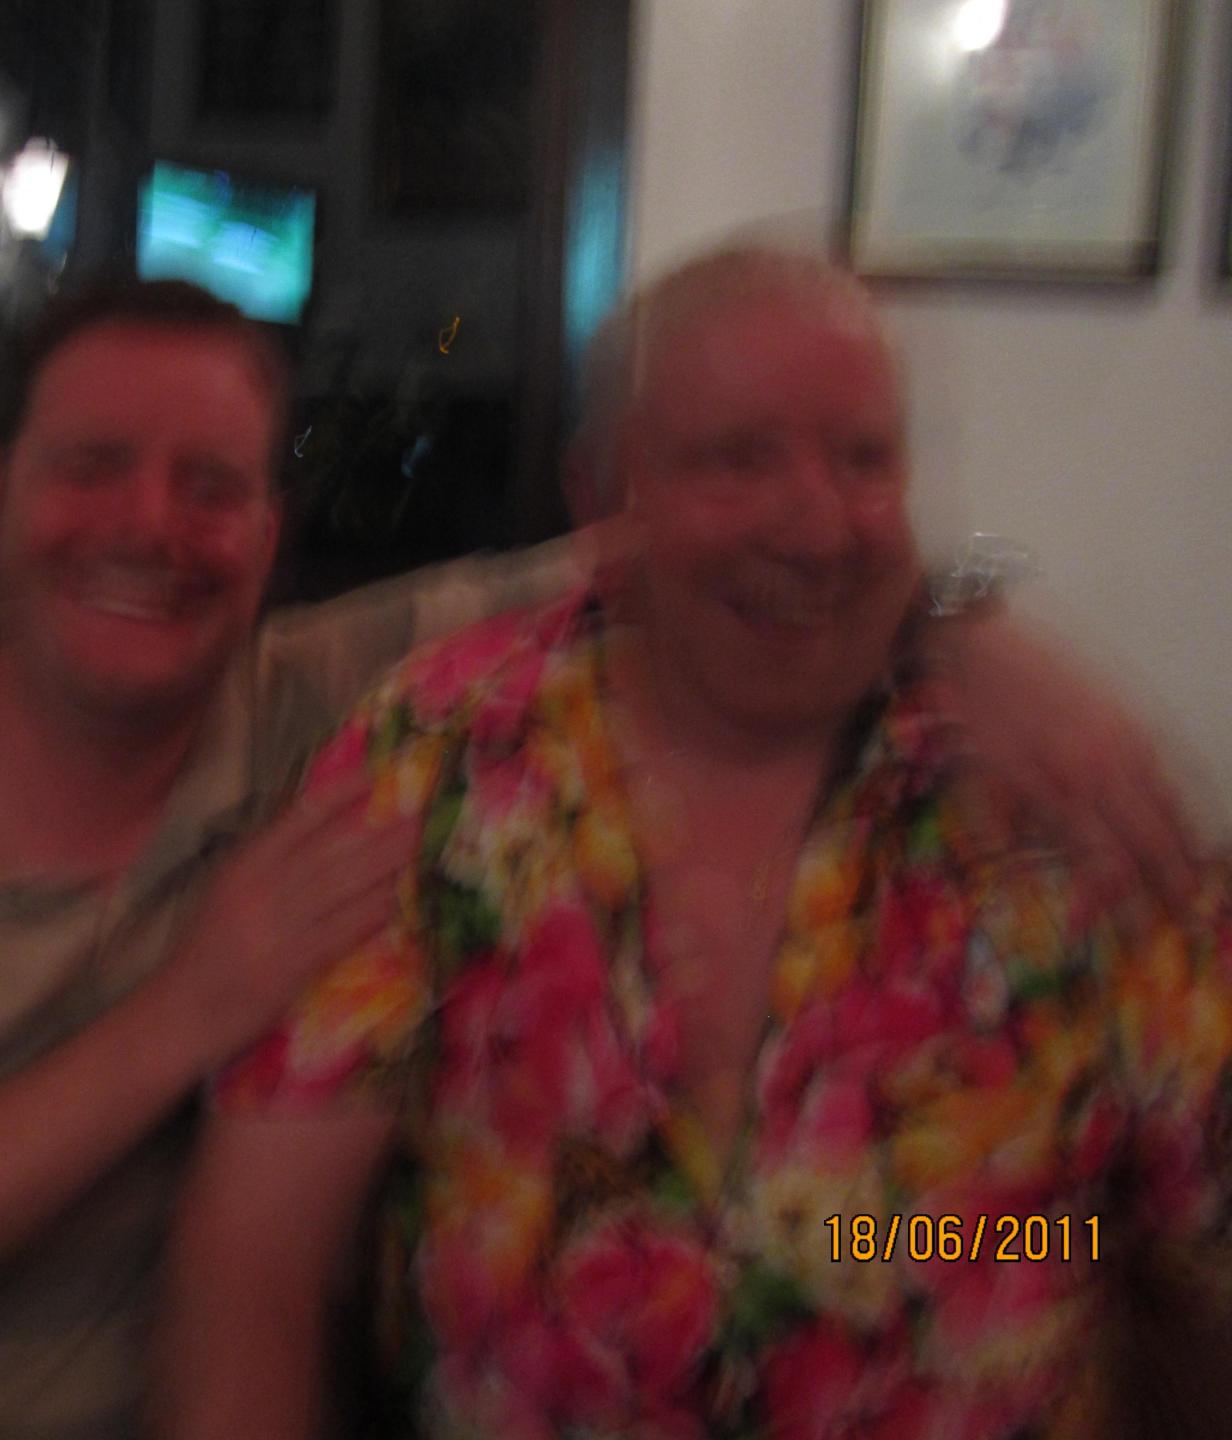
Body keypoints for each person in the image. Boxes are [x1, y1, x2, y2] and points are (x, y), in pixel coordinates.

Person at [0, 276, 1200, 1440]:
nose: (150, 528)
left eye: (213, 487)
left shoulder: (349, 708)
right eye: (91, 466)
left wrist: (969, 612)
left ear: (269, 536)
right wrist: (181, 1012)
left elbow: (736, 545)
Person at [157, 250, 1232, 1440]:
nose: (817, 525)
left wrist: (972, 1239)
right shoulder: (446, 753)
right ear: (599, 498)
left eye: (863, 459)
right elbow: (255, 1263)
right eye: (737, 459)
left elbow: (1178, 1257)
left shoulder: (1051, 785)